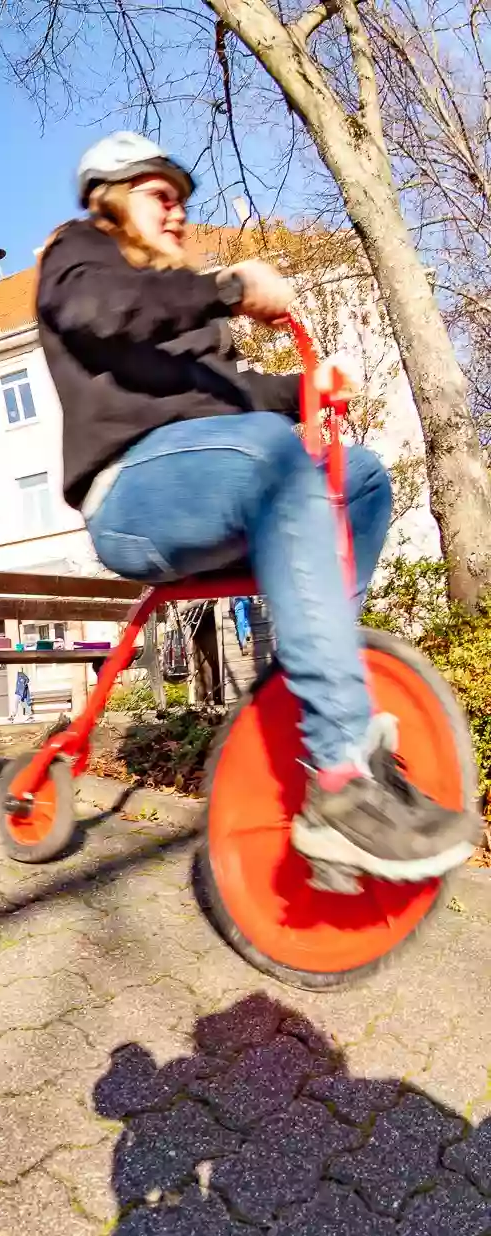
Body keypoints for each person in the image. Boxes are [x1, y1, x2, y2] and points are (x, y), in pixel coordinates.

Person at [40, 131, 475, 882]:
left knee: (362, 476)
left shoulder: (189, 317)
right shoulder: (81, 256)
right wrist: (229, 289)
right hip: (134, 496)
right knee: (274, 454)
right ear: (111, 199)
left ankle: (312, 688)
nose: (177, 214)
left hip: (219, 479)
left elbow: (234, 401)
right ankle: (342, 786)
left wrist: (301, 389)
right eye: (160, 197)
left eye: (182, 201)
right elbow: (104, 315)